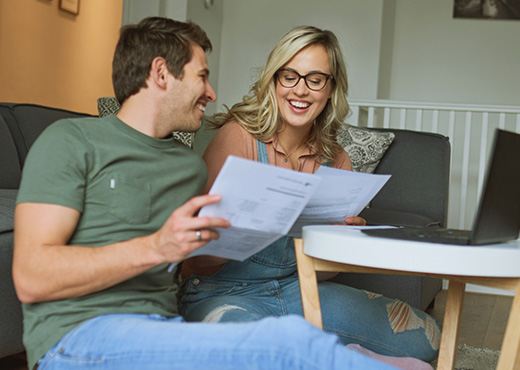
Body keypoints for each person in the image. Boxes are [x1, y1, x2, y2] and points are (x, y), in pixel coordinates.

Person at [12, 17, 395, 370]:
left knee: (294, 345)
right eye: (202, 77)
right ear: (162, 74)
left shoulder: (187, 167)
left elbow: (195, 257)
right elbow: (30, 277)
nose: (212, 93)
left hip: (164, 329)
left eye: (315, 79)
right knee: (291, 344)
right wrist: (158, 247)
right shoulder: (69, 141)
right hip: (79, 335)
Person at [179, 25, 442, 364]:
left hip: (299, 289)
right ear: (274, 80)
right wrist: (241, 230)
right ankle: (319, 352)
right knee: (250, 352)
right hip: (225, 292)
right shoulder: (238, 138)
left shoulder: (336, 158)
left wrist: (341, 243)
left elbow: (322, 272)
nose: (300, 90)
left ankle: (315, 350)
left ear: (331, 89)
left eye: (315, 79)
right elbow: (194, 261)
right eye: (289, 76)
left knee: (428, 338)